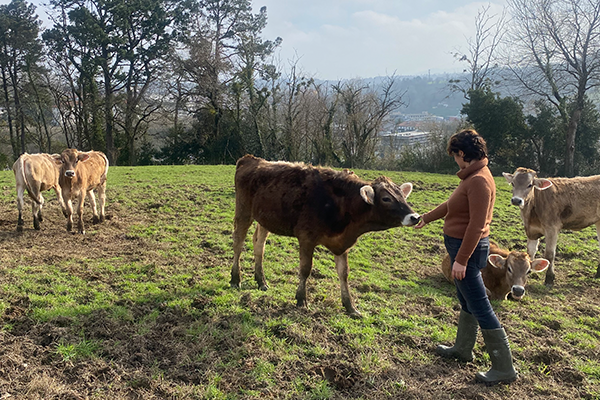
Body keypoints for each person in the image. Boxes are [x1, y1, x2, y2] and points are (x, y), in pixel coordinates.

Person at [414, 129, 517, 385]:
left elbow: (477, 225)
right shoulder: (471, 177)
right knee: (467, 300)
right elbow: (452, 206)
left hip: (467, 251)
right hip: (460, 247)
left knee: (481, 305)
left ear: (462, 154)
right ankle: (462, 349)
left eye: (455, 156)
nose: (455, 161)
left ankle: (504, 368)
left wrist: (460, 260)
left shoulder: (479, 181)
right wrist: (426, 217)